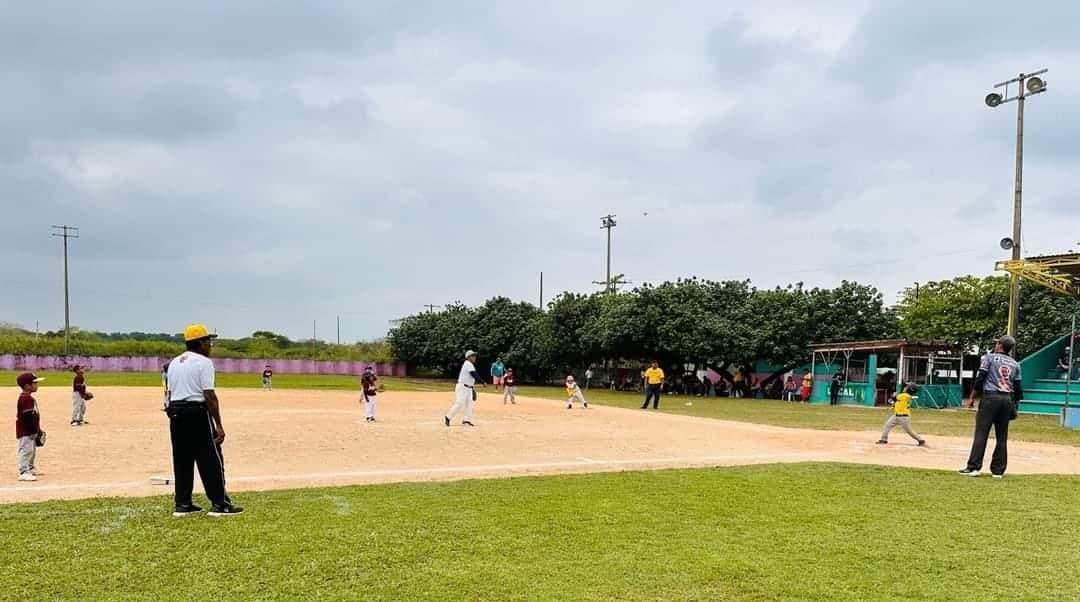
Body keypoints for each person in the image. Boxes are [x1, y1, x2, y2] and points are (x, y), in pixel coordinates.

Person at [165, 324, 243, 516]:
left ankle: (183, 504)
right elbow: (209, 395)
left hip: (176, 412)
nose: (210, 345)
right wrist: (219, 425)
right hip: (196, 411)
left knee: (182, 458)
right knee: (210, 458)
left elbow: (169, 392)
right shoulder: (203, 362)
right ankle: (220, 504)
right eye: (208, 341)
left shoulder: (174, 362)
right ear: (199, 343)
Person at [960, 335, 1022, 478]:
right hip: (1007, 399)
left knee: (981, 432)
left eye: (997, 343)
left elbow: (980, 378)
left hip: (990, 397)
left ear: (1000, 345)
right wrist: (1015, 407)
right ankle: (998, 471)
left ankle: (974, 467)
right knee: (1002, 436)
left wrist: (972, 397)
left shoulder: (988, 358)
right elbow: (1018, 389)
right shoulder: (1015, 364)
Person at [15, 372, 44, 482]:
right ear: (27, 386)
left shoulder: (28, 397)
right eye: (35, 383)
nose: (37, 385)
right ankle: (24, 471)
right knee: (26, 450)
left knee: (31, 450)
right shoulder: (26, 399)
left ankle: (30, 467)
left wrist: (38, 430)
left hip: (31, 429)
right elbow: (27, 417)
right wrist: (33, 430)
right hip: (26, 430)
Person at [446, 350, 485, 427]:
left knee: (470, 404)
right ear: (468, 357)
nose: (475, 357)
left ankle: (466, 420)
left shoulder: (470, 365)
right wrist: (482, 382)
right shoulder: (467, 364)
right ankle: (448, 417)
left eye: (474, 356)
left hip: (469, 388)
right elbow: (474, 374)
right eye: (473, 356)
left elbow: (471, 378)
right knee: (460, 403)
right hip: (462, 387)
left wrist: (472, 389)